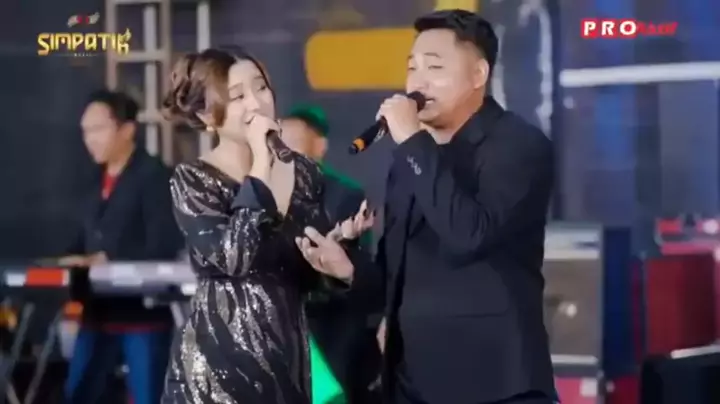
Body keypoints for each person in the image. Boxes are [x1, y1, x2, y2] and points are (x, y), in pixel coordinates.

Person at [296, 9, 556, 404]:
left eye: (434, 67)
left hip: (491, 383)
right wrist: (348, 268)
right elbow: (397, 278)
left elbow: (470, 234)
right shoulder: (410, 159)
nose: (417, 83)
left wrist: (414, 143)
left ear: (478, 75)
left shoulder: (517, 145)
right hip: (411, 383)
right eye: (411, 68)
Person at [159, 46, 344, 404]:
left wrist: (336, 256)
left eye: (261, 88)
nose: (256, 103)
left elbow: (308, 279)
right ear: (207, 115)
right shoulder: (193, 180)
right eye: (238, 96)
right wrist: (260, 167)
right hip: (216, 368)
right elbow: (234, 256)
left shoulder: (303, 172)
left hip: (285, 360)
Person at [60, 90, 183, 404]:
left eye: (98, 129)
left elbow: (164, 244)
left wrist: (109, 260)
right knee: (78, 392)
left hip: (142, 315)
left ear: (127, 129)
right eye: (86, 131)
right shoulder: (93, 181)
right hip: (97, 311)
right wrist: (71, 259)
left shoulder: (154, 177)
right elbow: (83, 238)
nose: (90, 139)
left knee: (148, 396)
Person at [282, 106, 381, 403]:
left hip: (329, 325)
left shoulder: (345, 196)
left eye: (293, 143)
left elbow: (354, 272)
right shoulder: (265, 196)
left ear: (320, 146)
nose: (284, 152)